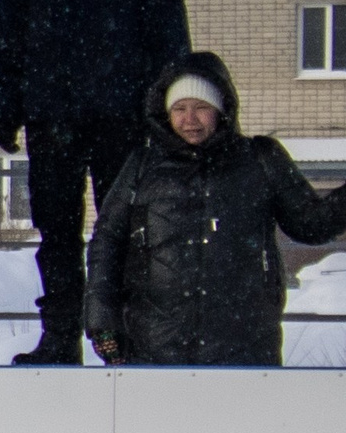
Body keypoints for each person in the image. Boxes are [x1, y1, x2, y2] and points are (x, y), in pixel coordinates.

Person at [0, 0, 189, 365]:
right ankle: (60, 336)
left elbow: (169, 38)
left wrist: (166, 112)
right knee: (56, 233)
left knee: (126, 233)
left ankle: (125, 338)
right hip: (51, 117)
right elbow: (7, 31)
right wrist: (2, 99)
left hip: (124, 119)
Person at [85, 54, 346, 367]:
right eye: (179, 108)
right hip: (154, 349)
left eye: (201, 107)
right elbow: (108, 241)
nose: (190, 119)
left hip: (245, 347)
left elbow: (312, 224)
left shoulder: (260, 159)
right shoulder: (142, 165)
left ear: (222, 109)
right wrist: (101, 320)